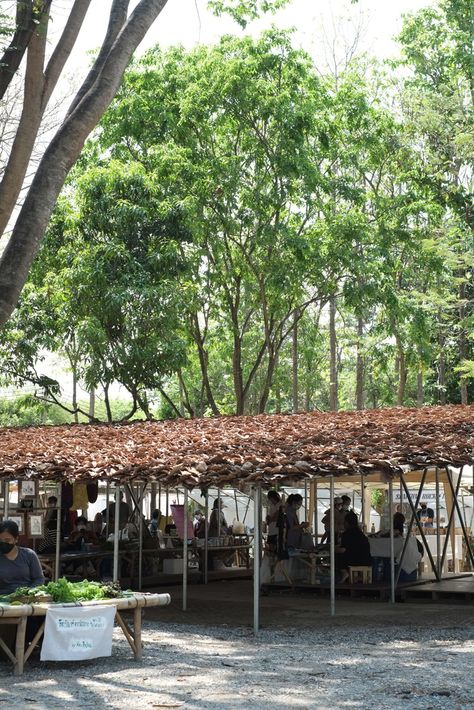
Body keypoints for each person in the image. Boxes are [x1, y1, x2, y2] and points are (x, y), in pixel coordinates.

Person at [0, 520, 44, 595]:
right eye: (0, 540)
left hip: (27, 599)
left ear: (16, 539)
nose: (3, 543)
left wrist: (29, 593)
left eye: (7, 540)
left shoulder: (29, 555)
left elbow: (39, 579)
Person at [336, 511, 372, 583]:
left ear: (347, 522)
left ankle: (344, 572)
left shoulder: (347, 534)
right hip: (366, 559)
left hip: (355, 560)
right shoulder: (360, 533)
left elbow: (343, 549)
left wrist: (333, 549)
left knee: (336, 556)